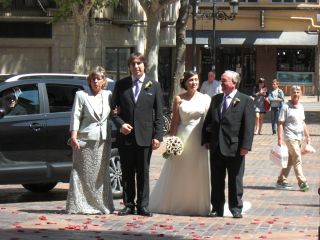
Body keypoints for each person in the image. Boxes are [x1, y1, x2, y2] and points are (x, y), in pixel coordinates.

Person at [149, 71, 211, 216]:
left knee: (197, 170)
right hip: (182, 139)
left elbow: (209, 121)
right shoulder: (179, 99)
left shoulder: (205, 98)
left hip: (198, 140)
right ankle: (177, 201)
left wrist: (208, 139)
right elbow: (175, 122)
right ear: (185, 82)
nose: (194, 83)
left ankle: (198, 204)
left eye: (196, 79)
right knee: (180, 169)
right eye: (191, 80)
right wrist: (171, 142)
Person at [111, 52, 163, 217]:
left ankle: (143, 205)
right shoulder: (121, 85)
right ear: (129, 67)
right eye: (133, 64)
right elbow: (113, 112)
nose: (136, 66)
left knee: (143, 172)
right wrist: (120, 125)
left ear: (144, 65)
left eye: (139, 63)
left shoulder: (153, 85)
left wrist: (158, 136)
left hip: (145, 136)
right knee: (127, 172)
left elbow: (160, 113)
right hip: (126, 136)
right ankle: (128, 204)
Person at [202, 70, 255, 218]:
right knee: (216, 179)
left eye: (224, 80)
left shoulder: (245, 100)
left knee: (235, 179)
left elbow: (249, 126)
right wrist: (206, 139)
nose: (222, 83)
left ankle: (236, 207)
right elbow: (209, 120)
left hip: (235, 147)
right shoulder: (216, 99)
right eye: (221, 80)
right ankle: (216, 207)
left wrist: (246, 146)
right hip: (217, 146)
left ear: (234, 83)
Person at [66, 66, 114, 214]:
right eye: (93, 78)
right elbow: (75, 116)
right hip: (85, 140)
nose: (95, 81)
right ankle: (80, 205)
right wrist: (73, 136)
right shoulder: (81, 95)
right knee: (82, 173)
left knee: (100, 174)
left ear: (103, 81)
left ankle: (101, 205)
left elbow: (115, 113)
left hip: (103, 140)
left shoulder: (109, 95)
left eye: (98, 78)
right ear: (89, 80)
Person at [276, 85, 311, 192]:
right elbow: (280, 123)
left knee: (291, 161)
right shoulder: (285, 106)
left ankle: (281, 180)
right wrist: (279, 138)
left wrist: (307, 136)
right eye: (294, 92)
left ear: (300, 94)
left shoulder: (301, 106)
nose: (296, 94)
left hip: (299, 137)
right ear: (290, 94)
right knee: (297, 159)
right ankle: (302, 182)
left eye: (298, 92)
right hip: (290, 137)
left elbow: (303, 122)